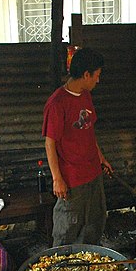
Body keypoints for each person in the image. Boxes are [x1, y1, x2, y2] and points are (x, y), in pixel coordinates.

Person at [42, 47, 113, 246]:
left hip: (93, 174)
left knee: (95, 223)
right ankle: (60, 266)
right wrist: (57, 179)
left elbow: (88, 131)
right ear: (86, 74)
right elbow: (50, 143)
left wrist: (101, 157)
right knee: (67, 228)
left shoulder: (85, 94)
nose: (98, 80)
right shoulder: (57, 103)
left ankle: (86, 264)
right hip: (72, 178)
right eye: (96, 75)